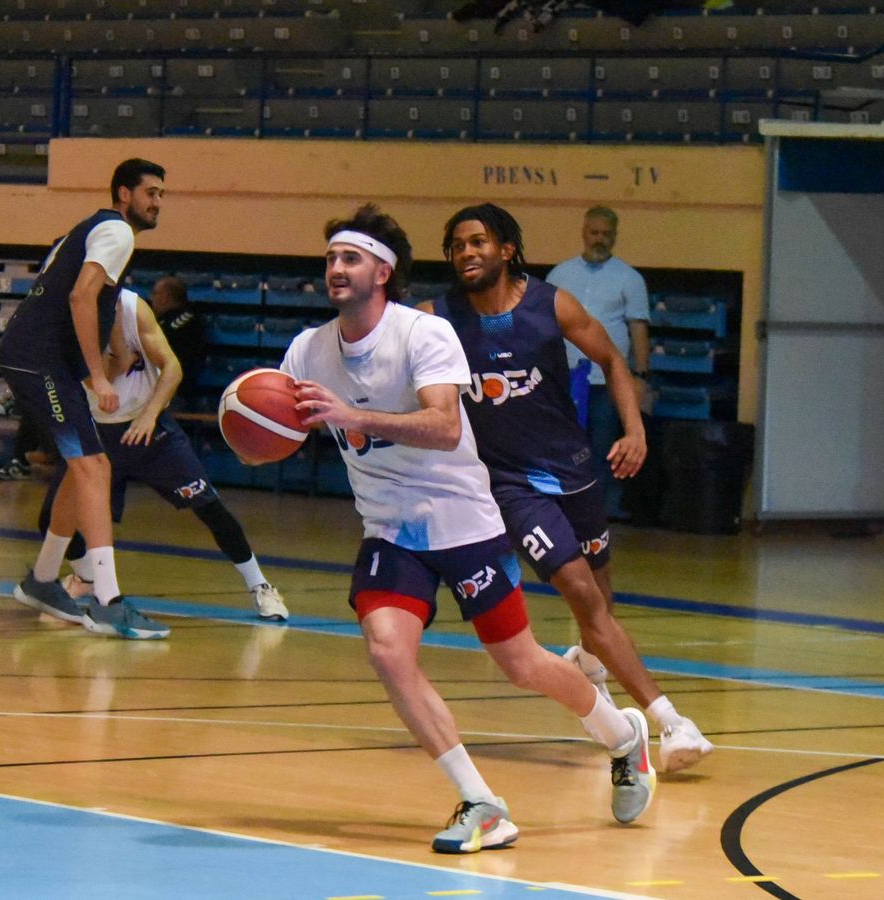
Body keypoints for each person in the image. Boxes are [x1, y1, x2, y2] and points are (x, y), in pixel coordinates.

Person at [263, 204, 655, 855]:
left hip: (464, 520)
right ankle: (482, 802)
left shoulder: (423, 334)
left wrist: (353, 413)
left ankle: (623, 737)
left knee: (523, 665)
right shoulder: (307, 350)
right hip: (389, 529)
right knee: (388, 650)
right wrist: (257, 430)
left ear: (382, 272)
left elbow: (445, 426)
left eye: (350, 257)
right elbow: (271, 437)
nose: (336, 268)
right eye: (331, 257)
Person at [430, 203, 713, 774]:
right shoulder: (436, 320)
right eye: (457, 245)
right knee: (582, 596)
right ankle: (670, 723)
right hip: (508, 485)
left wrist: (635, 430)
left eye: (478, 242)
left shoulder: (550, 303)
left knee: (601, 607)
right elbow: (379, 342)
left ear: (507, 249)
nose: (467, 252)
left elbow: (612, 359)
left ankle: (588, 663)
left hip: (572, 469)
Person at [38, 285, 290, 622]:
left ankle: (260, 586)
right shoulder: (60, 319)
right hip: (97, 437)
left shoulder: (133, 308)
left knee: (209, 508)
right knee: (50, 519)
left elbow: (172, 367)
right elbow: (99, 381)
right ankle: (87, 576)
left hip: (149, 433)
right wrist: (116, 359)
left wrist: (149, 414)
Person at [0, 158, 170, 641]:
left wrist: (99, 364)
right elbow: (80, 298)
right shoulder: (117, 232)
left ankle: (44, 580)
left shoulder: (94, 229)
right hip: (39, 360)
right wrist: (98, 375)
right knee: (96, 468)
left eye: (161, 194)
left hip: (40, 359)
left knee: (83, 469)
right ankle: (108, 601)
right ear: (123, 194)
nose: (157, 202)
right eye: (149, 192)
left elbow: (93, 301)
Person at [544, 207, 650, 520]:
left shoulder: (629, 279)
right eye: (595, 233)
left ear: (615, 236)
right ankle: (562, 509)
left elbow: (638, 327)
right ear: (584, 232)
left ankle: (601, 511)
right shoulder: (560, 274)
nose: (599, 239)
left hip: (607, 382)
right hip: (564, 379)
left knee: (604, 447)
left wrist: (640, 375)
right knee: (564, 447)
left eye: (606, 234)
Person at [148, 276, 207, 402]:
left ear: (165, 296)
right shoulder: (162, 321)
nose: (151, 298)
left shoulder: (182, 323)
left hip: (178, 390)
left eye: (155, 293)